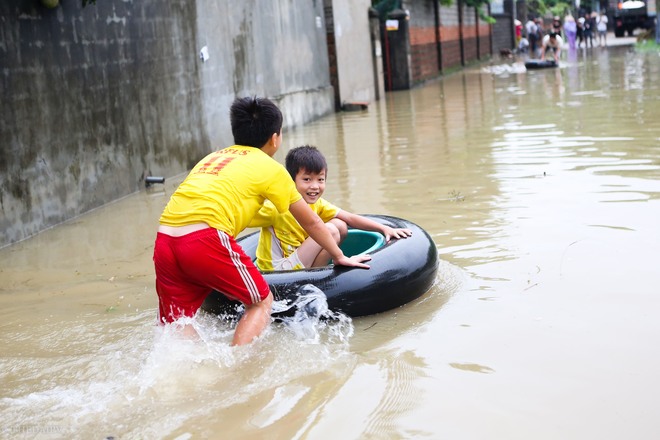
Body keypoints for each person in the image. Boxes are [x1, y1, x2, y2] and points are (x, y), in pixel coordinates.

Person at [153, 97, 371, 346]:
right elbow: (311, 222)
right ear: (275, 137)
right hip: (204, 238)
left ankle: (189, 373)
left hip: (165, 240)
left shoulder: (212, 159)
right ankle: (237, 371)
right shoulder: (271, 168)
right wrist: (340, 256)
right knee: (261, 301)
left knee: (178, 320)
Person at [250, 145, 413, 272]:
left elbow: (349, 218)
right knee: (331, 230)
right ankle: (318, 272)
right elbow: (244, 218)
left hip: (298, 262)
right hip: (277, 271)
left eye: (320, 179)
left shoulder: (316, 204)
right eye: (307, 179)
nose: (314, 186)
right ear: (291, 181)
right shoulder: (276, 207)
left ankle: (317, 273)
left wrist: (384, 228)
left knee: (340, 225)